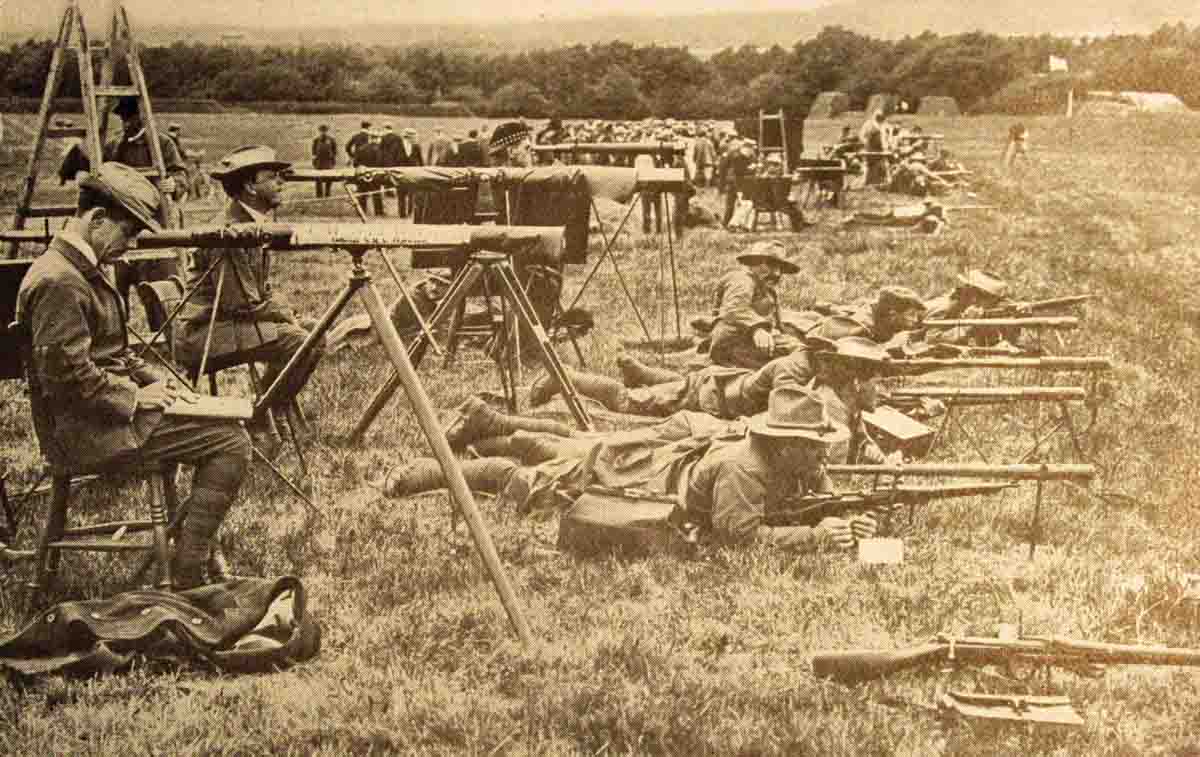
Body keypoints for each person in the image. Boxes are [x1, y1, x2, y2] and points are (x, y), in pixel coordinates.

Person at [16, 162, 251, 589]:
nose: (130, 245)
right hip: (85, 431)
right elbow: (67, 377)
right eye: (128, 233)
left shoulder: (77, 270)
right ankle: (188, 568)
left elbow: (113, 354)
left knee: (224, 426)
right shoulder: (60, 282)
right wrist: (135, 398)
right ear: (98, 219)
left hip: (100, 416)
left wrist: (162, 384)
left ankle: (190, 551)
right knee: (230, 442)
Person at [380, 387, 877, 552]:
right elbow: (738, 538)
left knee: (575, 447)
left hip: (661, 463)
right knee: (535, 479)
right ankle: (436, 470)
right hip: (641, 485)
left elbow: (818, 496)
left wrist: (838, 519)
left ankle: (487, 425)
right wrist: (815, 537)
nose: (823, 456)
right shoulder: (743, 470)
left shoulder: (796, 459)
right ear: (786, 443)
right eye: (815, 447)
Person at [174, 146, 326, 452]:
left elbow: (257, 292)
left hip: (230, 324)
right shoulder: (231, 230)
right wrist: (283, 313)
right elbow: (239, 302)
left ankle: (269, 405)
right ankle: (259, 415)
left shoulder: (251, 221)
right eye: (272, 177)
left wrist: (284, 312)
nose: (281, 183)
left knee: (313, 332)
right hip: (205, 333)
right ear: (249, 186)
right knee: (300, 341)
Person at [707, 240, 802, 370]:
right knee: (799, 356)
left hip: (755, 343)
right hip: (733, 343)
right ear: (753, 263)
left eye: (780, 268)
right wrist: (757, 329)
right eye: (772, 265)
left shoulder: (768, 290)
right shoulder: (741, 279)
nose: (777, 273)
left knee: (799, 349)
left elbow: (777, 324)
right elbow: (733, 309)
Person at [808, 286, 927, 352]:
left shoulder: (882, 315)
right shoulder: (862, 328)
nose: (915, 319)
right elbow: (857, 359)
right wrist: (893, 344)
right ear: (893, 314)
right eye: (911, 314)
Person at [717, 138, 756, 227]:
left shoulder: (750, 155)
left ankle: (734, 223)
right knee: (732, 204)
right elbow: (724, 168)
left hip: (743, 182)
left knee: (741, 204)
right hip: (734, 181)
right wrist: (721, 185)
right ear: (745, 147)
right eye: (751, 148)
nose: (752, 151)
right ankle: (728, 223)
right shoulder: (734, 154)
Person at [859, 110, 889, 187]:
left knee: (885, 164)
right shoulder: (868, 124)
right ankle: (864, 181)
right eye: (878, 116)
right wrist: (866, 143)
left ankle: (887, 180)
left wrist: (886, 146)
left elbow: (885, 137)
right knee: (867, 165)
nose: (880, 118)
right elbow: (861, 135)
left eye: (881, 117)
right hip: (870, 148)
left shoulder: (884, 125)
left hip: (880, 149)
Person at [310, 124, 338, 198]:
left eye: (325, 131)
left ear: (327, 131)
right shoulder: (316, 140)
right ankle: (319, 195)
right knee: (318, 178)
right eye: (322, 131)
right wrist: (314, 160)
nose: (323, 133)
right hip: (319, 162)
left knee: (329, 178)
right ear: (319, 131)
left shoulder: (332, 139)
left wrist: (333, 159)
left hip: (328, 162)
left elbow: (335, 151)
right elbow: (313, 152)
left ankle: (327, 193)